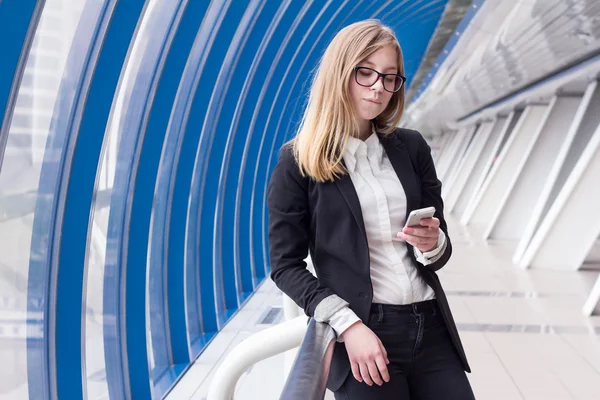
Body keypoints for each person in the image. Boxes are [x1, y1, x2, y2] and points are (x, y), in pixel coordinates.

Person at [266, 20, 475, 399]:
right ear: (340, 73)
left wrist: (433, 242)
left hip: (431, 328)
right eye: (366, 73)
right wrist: (348, 326)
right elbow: (285, 266)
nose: (379, 86)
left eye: (390, 77)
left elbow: (438, 252)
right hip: (363, 334)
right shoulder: (298, 161)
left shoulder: (411, 148)